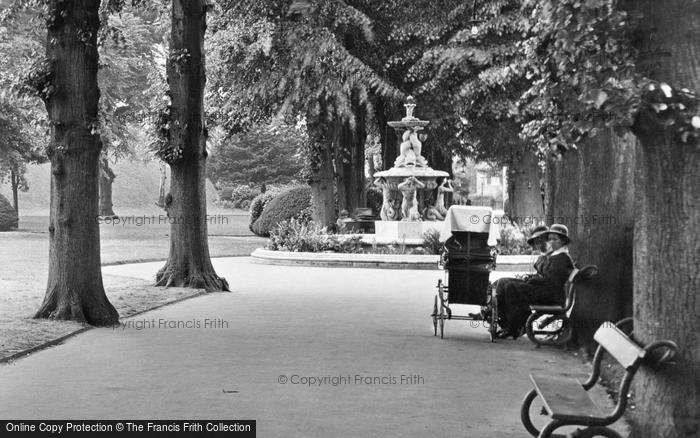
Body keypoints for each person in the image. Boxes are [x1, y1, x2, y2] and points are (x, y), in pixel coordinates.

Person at [496, 224, 574, 339]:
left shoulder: (563, 258)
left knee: (511, 287)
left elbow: (551, 280)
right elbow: (544, 274)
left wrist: (533, 280)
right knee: (505, 283)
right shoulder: (555, 255)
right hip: (546, 291)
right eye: (550, 239)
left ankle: (513, 327)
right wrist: (532, 279)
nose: (551, 242)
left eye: (555, 239)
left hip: (552, 296)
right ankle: (508, 324)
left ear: (563, 241)